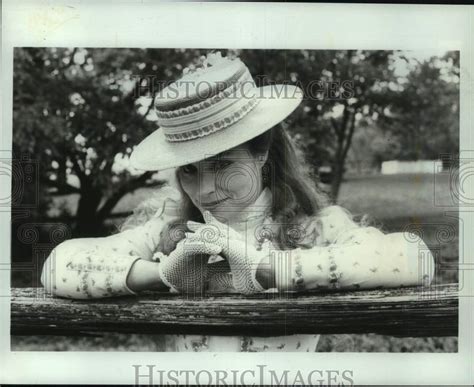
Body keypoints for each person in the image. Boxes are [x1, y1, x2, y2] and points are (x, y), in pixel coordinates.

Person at [41, 52, 435, 352]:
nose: (206, 189)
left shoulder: (316, 228)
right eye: (189, 171)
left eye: (223, 165)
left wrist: (265, 268)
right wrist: (163, 276)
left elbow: (415, 258)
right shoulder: (167, 229)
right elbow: (57, 266)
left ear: (261, 152)